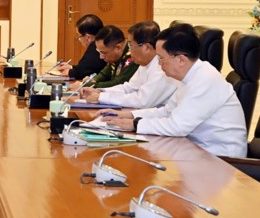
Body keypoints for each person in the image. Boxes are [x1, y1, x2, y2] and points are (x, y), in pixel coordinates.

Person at [99, 23, 247, 157]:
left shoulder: (205, 79)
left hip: (220, 159)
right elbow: (166, 111)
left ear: (181, 59)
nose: (159, 64)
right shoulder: (190, 76)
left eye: (161, 58)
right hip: (196, 149)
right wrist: (128, 115)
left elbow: (177, 126)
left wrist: (135, 124)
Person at [80, 20, 179, 109]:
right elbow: (129, 88)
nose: (129, 51)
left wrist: (102, 97)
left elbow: (143, 101)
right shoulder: (145, 63)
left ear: (147, 47)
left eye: (131, 45)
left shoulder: (161, 67)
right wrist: (100, 91)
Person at [70, 24, 138, 91]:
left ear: (118, 47)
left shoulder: (133, 56)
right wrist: (91, 80)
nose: (101, 57)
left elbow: (117, 84)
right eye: (99, 52)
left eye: (104, 53)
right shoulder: (115, 55)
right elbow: (104, 74)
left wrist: (87, 85)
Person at [54, 14, 105, 79]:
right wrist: (72, 67)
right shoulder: (101, 43)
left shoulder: (96, 48)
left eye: (79, 36)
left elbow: (83, 72)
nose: (79, 39)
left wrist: (70, 72)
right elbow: (87, 66)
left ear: (88, 37)